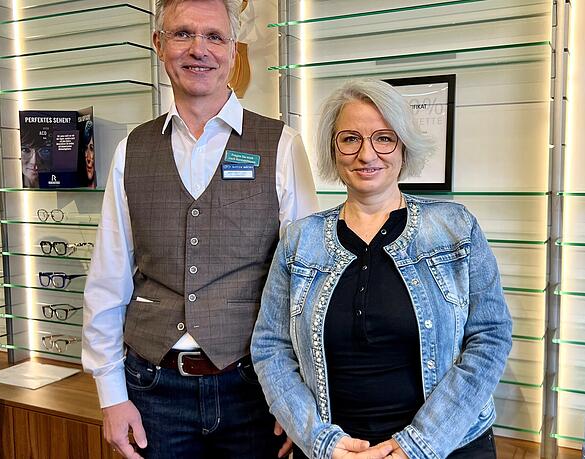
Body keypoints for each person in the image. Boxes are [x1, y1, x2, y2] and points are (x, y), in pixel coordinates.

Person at [81, 0, 318, 457]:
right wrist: (111, 395)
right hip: (152, 389)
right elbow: (108, 279)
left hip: (254, 390)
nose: (199, 50)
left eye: (214, 37)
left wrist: (300, 398)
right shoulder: (132, 149)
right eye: (182, 34)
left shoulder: (282, 145)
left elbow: (307, 284)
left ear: (234, 51)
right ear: (159, 45)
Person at [251, 79, 512, 459]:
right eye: (350, 138)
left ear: (403, 146)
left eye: (384, 138)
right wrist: (321, 441)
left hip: (449, 447)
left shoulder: (456, 229)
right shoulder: (299, 241)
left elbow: (490, 338)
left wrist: (416, 446)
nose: (366, 154)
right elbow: (270, 348)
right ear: (333, 149)